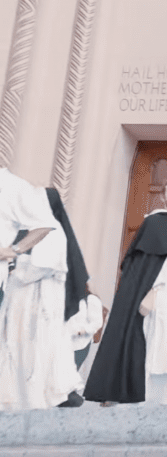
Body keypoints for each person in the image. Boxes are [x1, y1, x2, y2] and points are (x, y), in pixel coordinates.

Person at [84, 180, 167, 406]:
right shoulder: (153, 224)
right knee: (153, 347)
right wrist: (147, 294)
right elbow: (139, 268)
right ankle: (142, 398)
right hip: (159, 303)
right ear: (163, 197)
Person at [0, 170, 82, 410]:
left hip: (39, 301)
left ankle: (40, 397)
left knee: (37, 349)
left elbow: (44, 266)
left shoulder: (53, 232)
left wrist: (15, 264)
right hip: (20, 298)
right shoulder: (22, 229)